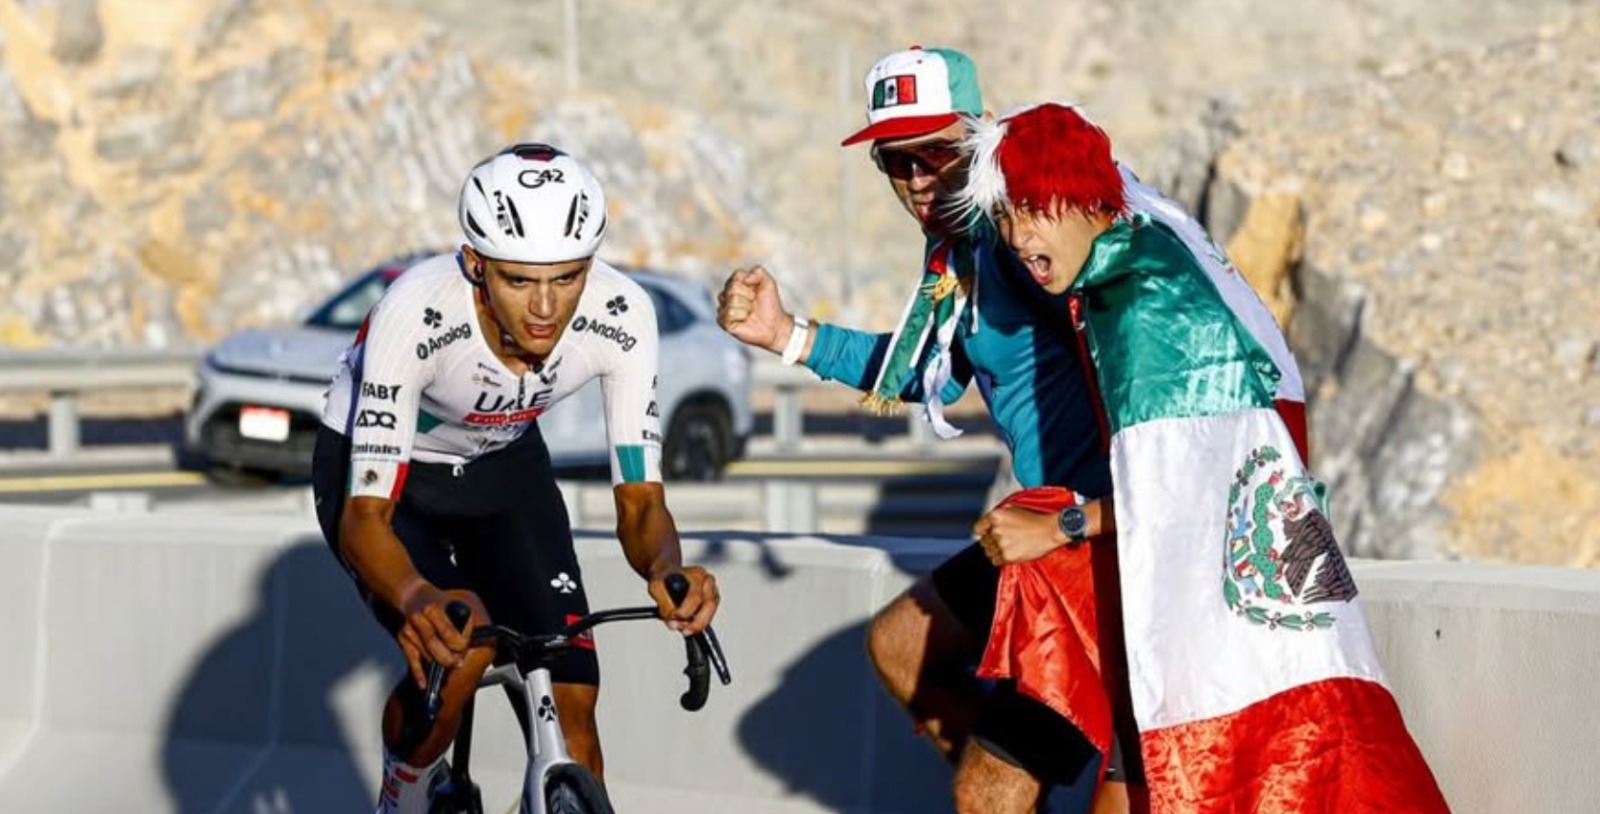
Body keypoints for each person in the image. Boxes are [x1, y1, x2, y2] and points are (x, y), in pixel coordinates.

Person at [961, 102, 1452, 813]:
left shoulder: (1140, 305)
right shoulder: (1135, 265)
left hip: (1216, 624)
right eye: (1006, 216)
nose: (1017, 235)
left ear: (1088, 197)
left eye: (1035, 208)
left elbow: (1188, 492)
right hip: (1214, 605)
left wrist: (1058, 527)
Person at [718, 47, 1124, 813]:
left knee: (988, 793)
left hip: (1097, 540)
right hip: (1046, 529)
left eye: (935, 153)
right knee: (902, 645)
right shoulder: (964, 249)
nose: (916, 180)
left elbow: (1127, 344)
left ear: (981, 135)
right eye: (895, 163)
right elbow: (929, 370)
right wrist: (785, 335)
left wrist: (1105, 517)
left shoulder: (1025, 235)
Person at [312, 143, 722, 814]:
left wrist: (666, 568)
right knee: (462, 648)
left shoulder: (622, 314)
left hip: (502, 465)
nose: (545, 307)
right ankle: (403, 792)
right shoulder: (415, 311)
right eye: (519, 280)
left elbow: (641, 499)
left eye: (568, 278)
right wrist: (415, 596)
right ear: (476, 264)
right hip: (386, 480)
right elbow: (364, 520)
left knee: (575, 710)